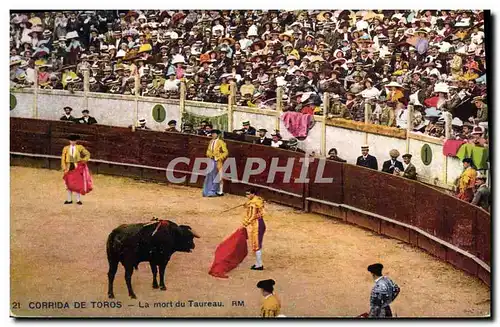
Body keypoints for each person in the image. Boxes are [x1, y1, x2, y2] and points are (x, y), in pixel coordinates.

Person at [61, 134, 90, 205]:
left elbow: (87, 154)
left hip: (77, 166)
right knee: (68, 183)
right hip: (68, 166)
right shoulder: (65, 148)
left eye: (74, 141)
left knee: (77, 183)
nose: (72, 142)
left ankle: (78, 200)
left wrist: (83, 160)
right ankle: (69, 200)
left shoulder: (79, 147)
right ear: (69, 141)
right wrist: (64, 167)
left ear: (76, 141)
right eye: (71, 140)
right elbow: (63, 158)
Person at [242, 188, 266, 270]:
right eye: (246, 194)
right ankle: (257, 263)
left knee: (256, 245)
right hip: (260, 223)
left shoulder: (253, 204)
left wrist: (244, 224)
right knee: (257, 244)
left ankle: (260, 265)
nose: (247, 196)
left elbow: (251, 216)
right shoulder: (258, 200)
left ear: (253, 194)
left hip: (257, 225)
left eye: (248, 194)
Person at [203, 129, 228, 197]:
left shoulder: (221, 142)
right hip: (211, 160)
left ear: (217, 135)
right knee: (210, 175)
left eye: (214, 134)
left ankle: (213, 191)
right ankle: (208, 191)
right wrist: (209, 155)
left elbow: (225, 152)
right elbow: (208, 150)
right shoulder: (211, 141)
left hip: (217, 160)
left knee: (217, 176)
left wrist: (219, 157)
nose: (213, 135)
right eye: (212, 134)